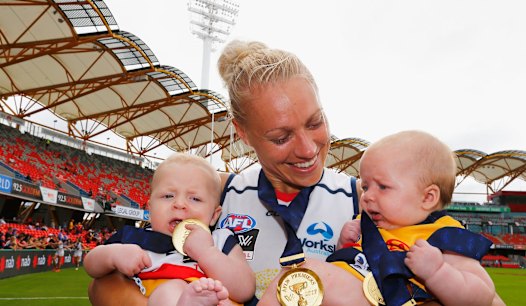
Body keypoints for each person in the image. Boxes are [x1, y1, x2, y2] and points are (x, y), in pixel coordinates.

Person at [88, 40, 362, 305]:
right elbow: (103, 286)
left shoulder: (363, 197)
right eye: (281, 137)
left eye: (316, 122)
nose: (307, 149)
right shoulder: (211, 192)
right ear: (242, 133)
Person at [291, 130, 500, 306]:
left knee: (300, 275)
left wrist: (437, 272)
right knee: (296, 274)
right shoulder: (367, 226)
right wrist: (343, 245)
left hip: (389, 297)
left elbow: (482, 297)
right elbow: (353, 264)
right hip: (348, 291)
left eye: (382, 186)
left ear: (427, 197)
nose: (367, 195)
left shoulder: (442, 236)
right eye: (365, 186)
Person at [84, 153, 255, 306]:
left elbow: (245, 289)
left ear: (214, 215)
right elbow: (90, 265)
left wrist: (207, 252)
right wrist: (113, 255)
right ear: (150, 209)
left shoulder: (221, 240)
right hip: (158, 296)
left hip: (211, 296)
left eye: (195, 198)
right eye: (168, 196)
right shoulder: (134, 238)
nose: (179, 204)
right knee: (169, 291)